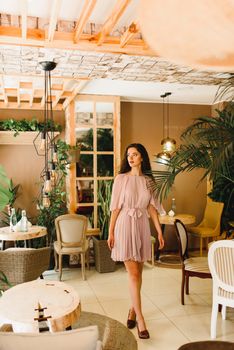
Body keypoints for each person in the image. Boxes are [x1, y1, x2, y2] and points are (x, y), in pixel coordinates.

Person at [107, 143, 164, 339]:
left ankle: (132, 310)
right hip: (124, 224)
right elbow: (115, 207)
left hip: (141, 226)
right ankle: (140, 319)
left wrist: (159, 232)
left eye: (135, 154)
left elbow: (152, 208)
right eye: (128, 155)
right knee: (133, 274)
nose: (130, 158)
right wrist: (111, 232)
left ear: (142, 157)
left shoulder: (149, 181)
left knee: (139, 273)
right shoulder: (121, 179)